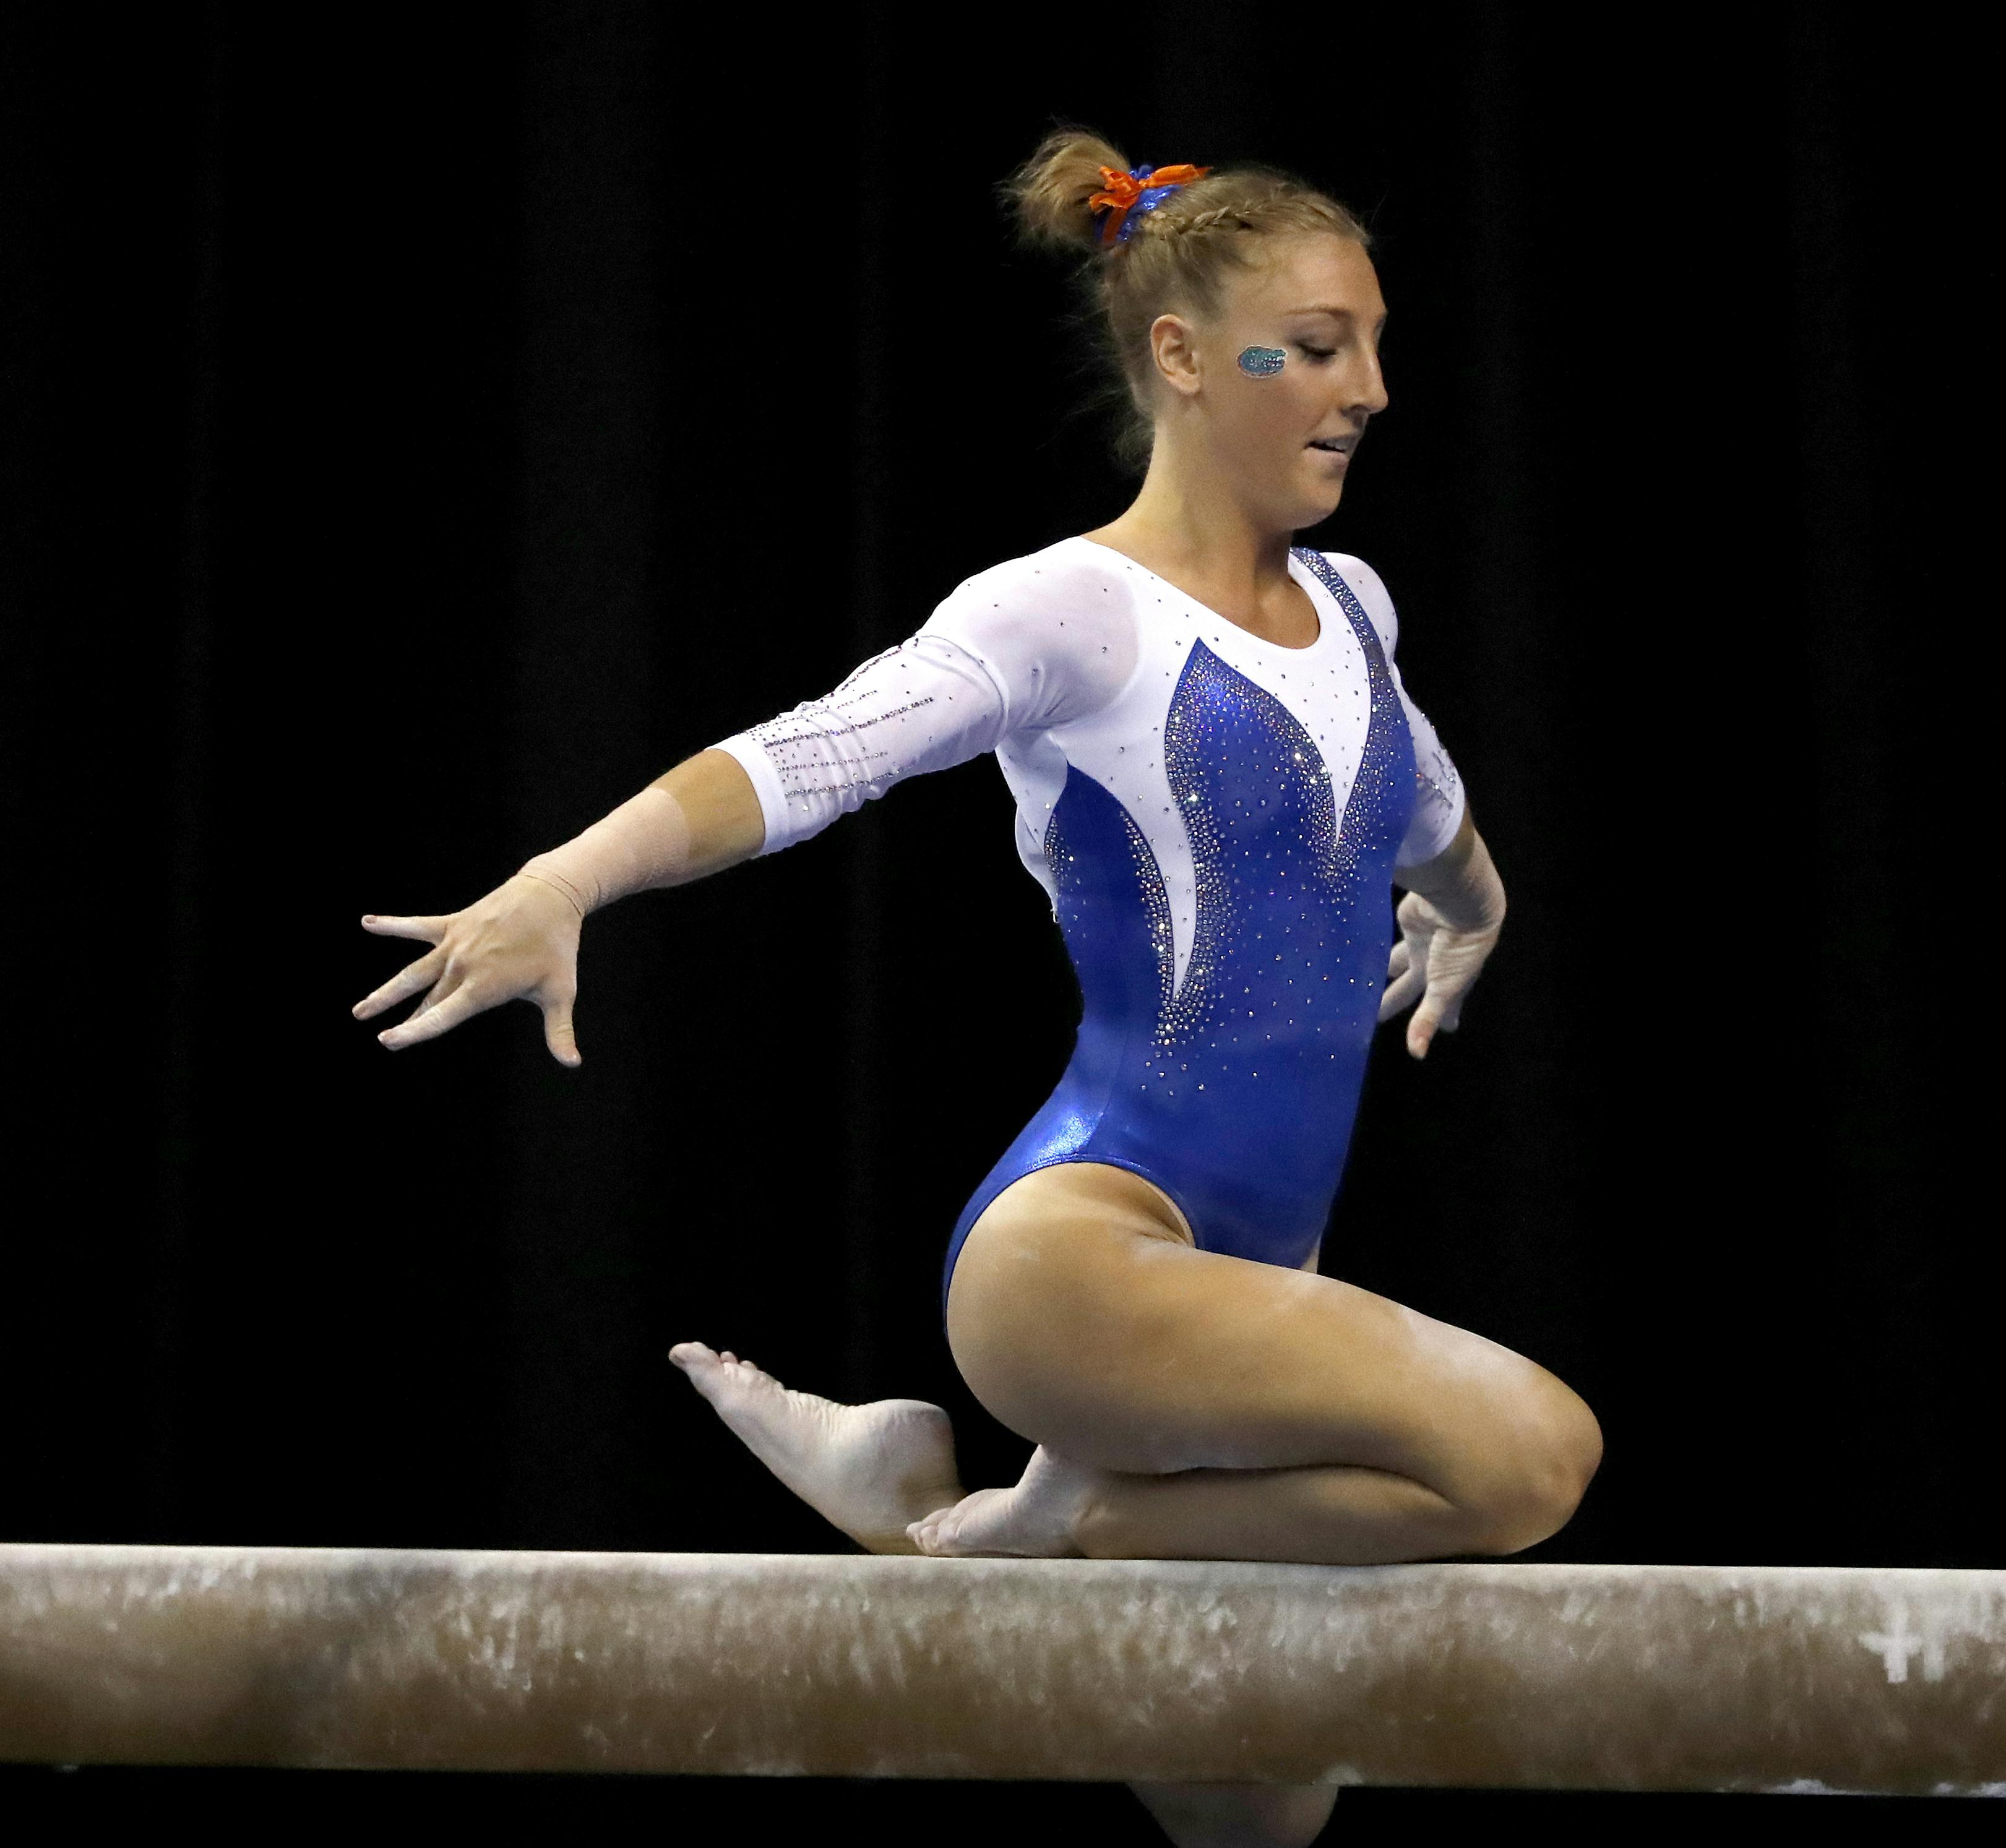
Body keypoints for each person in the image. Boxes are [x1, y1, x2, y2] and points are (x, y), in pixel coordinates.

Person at [355, 128, 1599, 1846]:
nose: (1368, 385)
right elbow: (816, 752)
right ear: (1178, 356)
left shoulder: (1355, 608)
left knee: (1257, 1813)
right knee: (1531, 1454)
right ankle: (1047, 1518)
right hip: (1089, 1265)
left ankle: (923, 1505)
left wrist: (1471, 914)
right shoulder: (1068, 610)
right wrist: (573, 873)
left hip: (1248, 1307)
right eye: (1313, 346)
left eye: (1374, 341)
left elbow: (1429, 814)